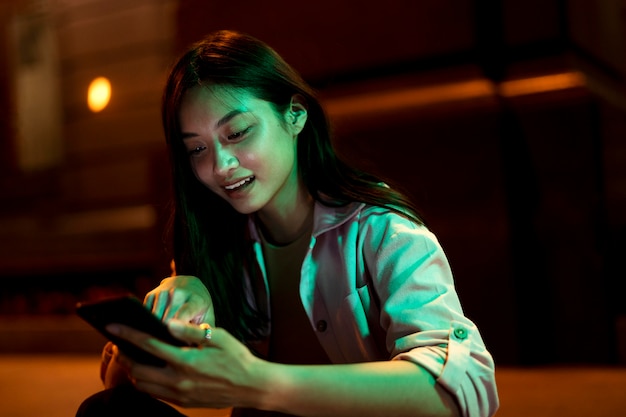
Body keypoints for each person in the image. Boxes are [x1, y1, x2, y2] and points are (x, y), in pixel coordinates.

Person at [77, 30, 499, 417]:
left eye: (237, 133)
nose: (220, 165)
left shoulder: (384, 232)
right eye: (197, 149)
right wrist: (168, 313)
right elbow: (124, 386)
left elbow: (460, 389)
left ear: (295, 116)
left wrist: (258, 382)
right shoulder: (217, 244)